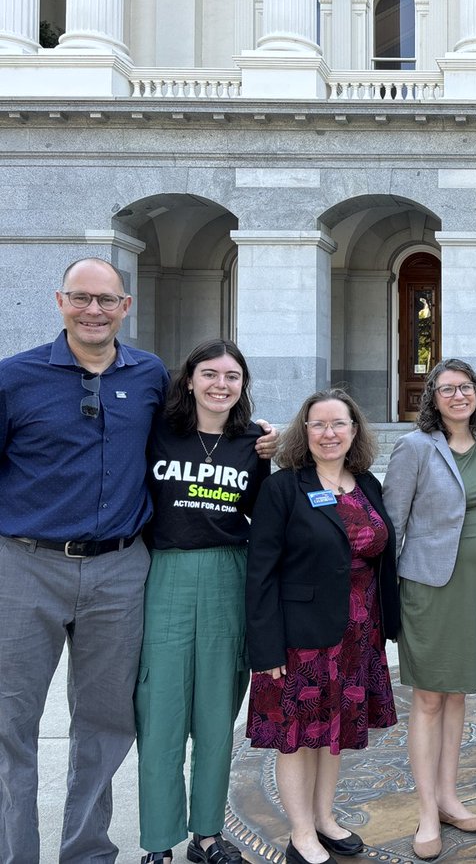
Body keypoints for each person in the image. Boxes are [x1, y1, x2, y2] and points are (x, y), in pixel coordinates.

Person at [0, 257, 273, 864]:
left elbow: (207, 428)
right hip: (25, 564)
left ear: (126, 306)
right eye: (81, 298)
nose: (93, 310)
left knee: (104, 723)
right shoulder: (13, 378)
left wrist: (263, 437)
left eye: (106, 300)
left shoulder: (148, 375)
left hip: (120, 569)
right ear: (59, 300)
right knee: (11, 725)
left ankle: (87, 851)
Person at [245, 389, 398, 864]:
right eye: (318, 425)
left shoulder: (367, 484)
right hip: (299, 638)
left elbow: (381, 558)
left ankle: (325, 818)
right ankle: (300, 833)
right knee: (297, 736)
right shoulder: (283, 488)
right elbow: (260, 573)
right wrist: (266, 649)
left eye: (339, 424)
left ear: (354, 431)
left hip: (357, 634)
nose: (329, 434)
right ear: (303, 431)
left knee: (334, 732)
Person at [136, 339, 271, 864]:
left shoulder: (253, 445)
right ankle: (158, 841)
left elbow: (267, 518)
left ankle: (207, 835)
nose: (220, 385)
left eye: (232, 376)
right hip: (165, 574)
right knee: (162, 714)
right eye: (210, 374)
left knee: (217, 716)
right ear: (189, 380)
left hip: (226, 574)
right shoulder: (158, 435)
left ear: (243, 386)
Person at [383, 359, 476, 861]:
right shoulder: (415, 448)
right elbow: (392, 525)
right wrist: (387, 596)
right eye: (446, 390)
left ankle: (448, 796)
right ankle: (424, 812)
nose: (457, 396)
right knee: (429, 699)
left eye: (465, 388)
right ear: (432, 399)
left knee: (457, 693)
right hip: (430, 586)